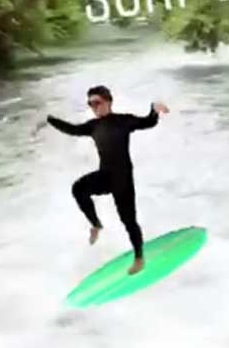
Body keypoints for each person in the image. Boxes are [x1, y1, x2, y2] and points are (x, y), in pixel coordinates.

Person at [42, 87, 169, 275]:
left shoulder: (124, 121)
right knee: (78, 188)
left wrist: (154, 109)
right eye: (90, 104)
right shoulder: (93, 126)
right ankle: (96, 224)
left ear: (108, 101)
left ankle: (139, 258)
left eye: (97, 102)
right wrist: (49, 119)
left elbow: (148, 122)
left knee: (129, 221)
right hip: (105, 176)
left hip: (122, 179)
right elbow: (72, 129)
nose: (94, 107)